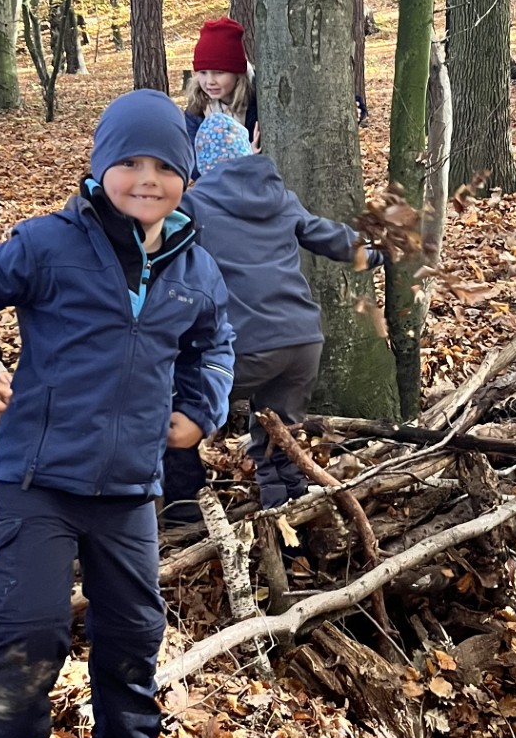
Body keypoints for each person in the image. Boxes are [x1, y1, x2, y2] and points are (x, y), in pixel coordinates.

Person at [0, 90, 235, 738]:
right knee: (31, 627)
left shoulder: (193, 263)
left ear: (187, 177)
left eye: (164, 165)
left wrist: (201, 409)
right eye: (128, 162)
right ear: (100, 170)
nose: (146, 178)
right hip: (38, 476)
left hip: (130, 486)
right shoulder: (50, 244)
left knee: (133, 627)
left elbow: (214, 340)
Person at [162, 112, 381, 520]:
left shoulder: (193, 206)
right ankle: (289, 518)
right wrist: (377, 252)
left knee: (174, 401)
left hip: (243, 346)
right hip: (301, 342)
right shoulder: (281, 198)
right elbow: (331, 238)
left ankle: (184, 509)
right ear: (248, 153)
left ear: (200, 164)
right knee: (279, 435)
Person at [181, 15, 256, 157]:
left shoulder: (257, 104)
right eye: (203, 72)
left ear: (237, 73)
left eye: (219, 73)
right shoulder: (196, 110)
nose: (210, 81)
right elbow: (192, 162)